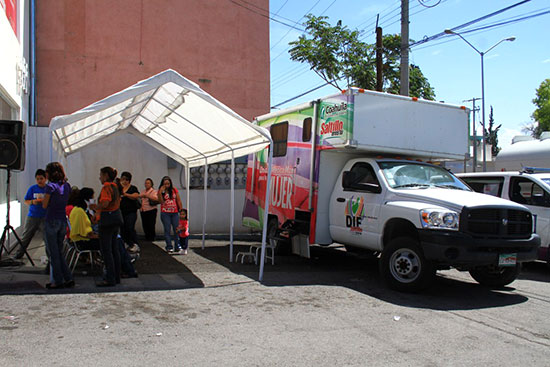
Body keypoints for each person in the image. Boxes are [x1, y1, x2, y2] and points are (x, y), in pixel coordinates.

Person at [42, 162, 74, 289]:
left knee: (53, 252)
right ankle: (68, 277)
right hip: (62, 220)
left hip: (51, 219)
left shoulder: (50, 187)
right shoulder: (67, 186)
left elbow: (45, 205)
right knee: (59, 252)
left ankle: (58, 280)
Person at [90, 166, 122, 287]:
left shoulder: (106, 187)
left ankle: (109, 278)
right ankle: (116, 276)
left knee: (106, 250)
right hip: (116, 218)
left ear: (106, 176)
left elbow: (105, 203)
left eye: (101, 175)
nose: (99, 177)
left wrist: (95, 207)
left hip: (107, 221)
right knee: (114, 249)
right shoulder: (116, 186)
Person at [13, 169, 47, 259]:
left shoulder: (48, 189)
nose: (39, 181)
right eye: (37, 179)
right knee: (26, 236)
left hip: (45, 216)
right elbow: (26, 200)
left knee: (47, 238)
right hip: (32, 216)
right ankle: (19, 254)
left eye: (41, 178)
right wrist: (32, 202)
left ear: (45, 179)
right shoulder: (32, 189)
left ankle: (50, 256)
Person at [69, 187, 100, 252]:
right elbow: (82, 233)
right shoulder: (80, 212)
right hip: (82, 241)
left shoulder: (78, 209)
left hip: (81, 239)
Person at [157, 176, 183, 253]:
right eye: (165, 184)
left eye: (168, 183)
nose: (167, 185)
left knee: (177, 230)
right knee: (167, 230)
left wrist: (181, 210)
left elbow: (178, 200)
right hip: (165, 213)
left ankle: (177, 245)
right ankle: (169, 246)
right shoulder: (161, 191)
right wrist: (160, 192)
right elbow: (161, 202)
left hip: (174, 213)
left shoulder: (174, 190)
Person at [119, 171, 140, 253]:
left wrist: (126, 194)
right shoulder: (119, 188)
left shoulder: (133, 188)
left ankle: (134, 244)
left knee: (130, 227)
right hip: (121, 212)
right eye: (123, 179)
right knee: (123, 228)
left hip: (131, 211)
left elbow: (136, 196)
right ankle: (126, 243)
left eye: (126, 179)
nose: (124, 181)